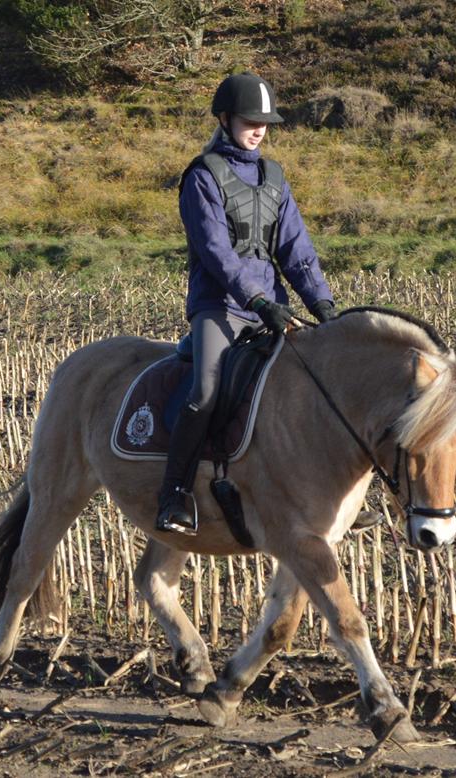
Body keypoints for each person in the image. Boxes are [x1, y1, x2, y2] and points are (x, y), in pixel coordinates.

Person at [156, 71, 338, 535]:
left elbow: (295, 248)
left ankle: (323, 492)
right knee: (205, 394)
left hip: (269, 306)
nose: (258, 128)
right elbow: (216, 252)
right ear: (225, 119)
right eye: (249, 120)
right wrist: (258, 300)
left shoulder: (274, 177)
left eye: (265, 121)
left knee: (315, 382)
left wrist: (323, 305)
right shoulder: (202, 175)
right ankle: (173, 494)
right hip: (220, 306)